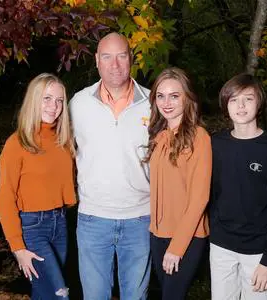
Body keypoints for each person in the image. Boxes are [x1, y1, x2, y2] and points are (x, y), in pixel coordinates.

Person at [69, 32, 151, 300]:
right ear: (97, 61)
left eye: (121, 56)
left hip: (140, 219)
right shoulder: (78, 104)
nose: (114, 64)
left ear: (131, 58)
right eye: (107, 57)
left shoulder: (155, 103)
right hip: (93, 219)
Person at [0, 73, 76, 299]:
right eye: (47, 98)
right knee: (60, 294)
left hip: (60, 224)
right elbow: (4, 201)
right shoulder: (17, 144)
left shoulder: (64, 141)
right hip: (32, 228)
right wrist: (18, 248)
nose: (54, 106)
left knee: (43, 294)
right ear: (34, 100)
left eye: (59, 100)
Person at [209, 73, 267, 300]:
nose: (241, 106)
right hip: (221, 247)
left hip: (258, 251)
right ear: (226, 105)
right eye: (234, 100)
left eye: (248, 99)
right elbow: (210, 194)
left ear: (259, 102)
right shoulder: (216, 144)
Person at [144, 67, 212, 299]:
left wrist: (177, 247)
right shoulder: (159, 136)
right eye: (160, 96)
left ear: (188, 98)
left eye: (175, 95)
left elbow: (199, 198)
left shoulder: (199, 137)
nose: (167, 102)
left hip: (187, 237)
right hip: (157, 234)